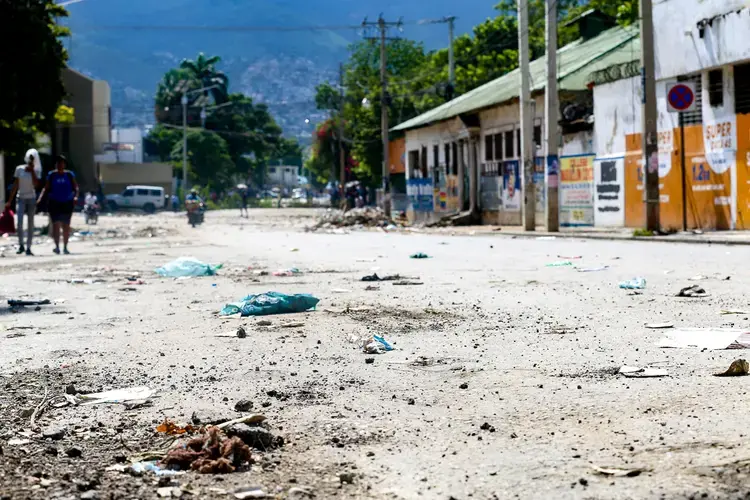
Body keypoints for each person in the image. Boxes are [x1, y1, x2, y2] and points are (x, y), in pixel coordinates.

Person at [38, 155, 78, 255]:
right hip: (54, 202)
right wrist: (40, 198)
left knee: (66, 226)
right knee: (55, 225)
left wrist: (76, 196)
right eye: (58, 163)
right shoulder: (51, 175)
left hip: (67, 202)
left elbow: (76, 187)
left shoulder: (69, 175)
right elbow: (46, 188)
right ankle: (57, 246)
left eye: (61, 163)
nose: (60, 165)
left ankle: (65, 246)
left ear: (64, 164)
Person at [6, 149, 42, 255]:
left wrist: (32, 172)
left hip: (31, 198)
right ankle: (21, 244)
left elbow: (36, 184)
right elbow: (16, 185)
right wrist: (9, 200)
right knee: (20, 222)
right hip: (20, 198)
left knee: (31, 223)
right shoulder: (19, 169)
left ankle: (28, 247)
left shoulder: (36, 170)